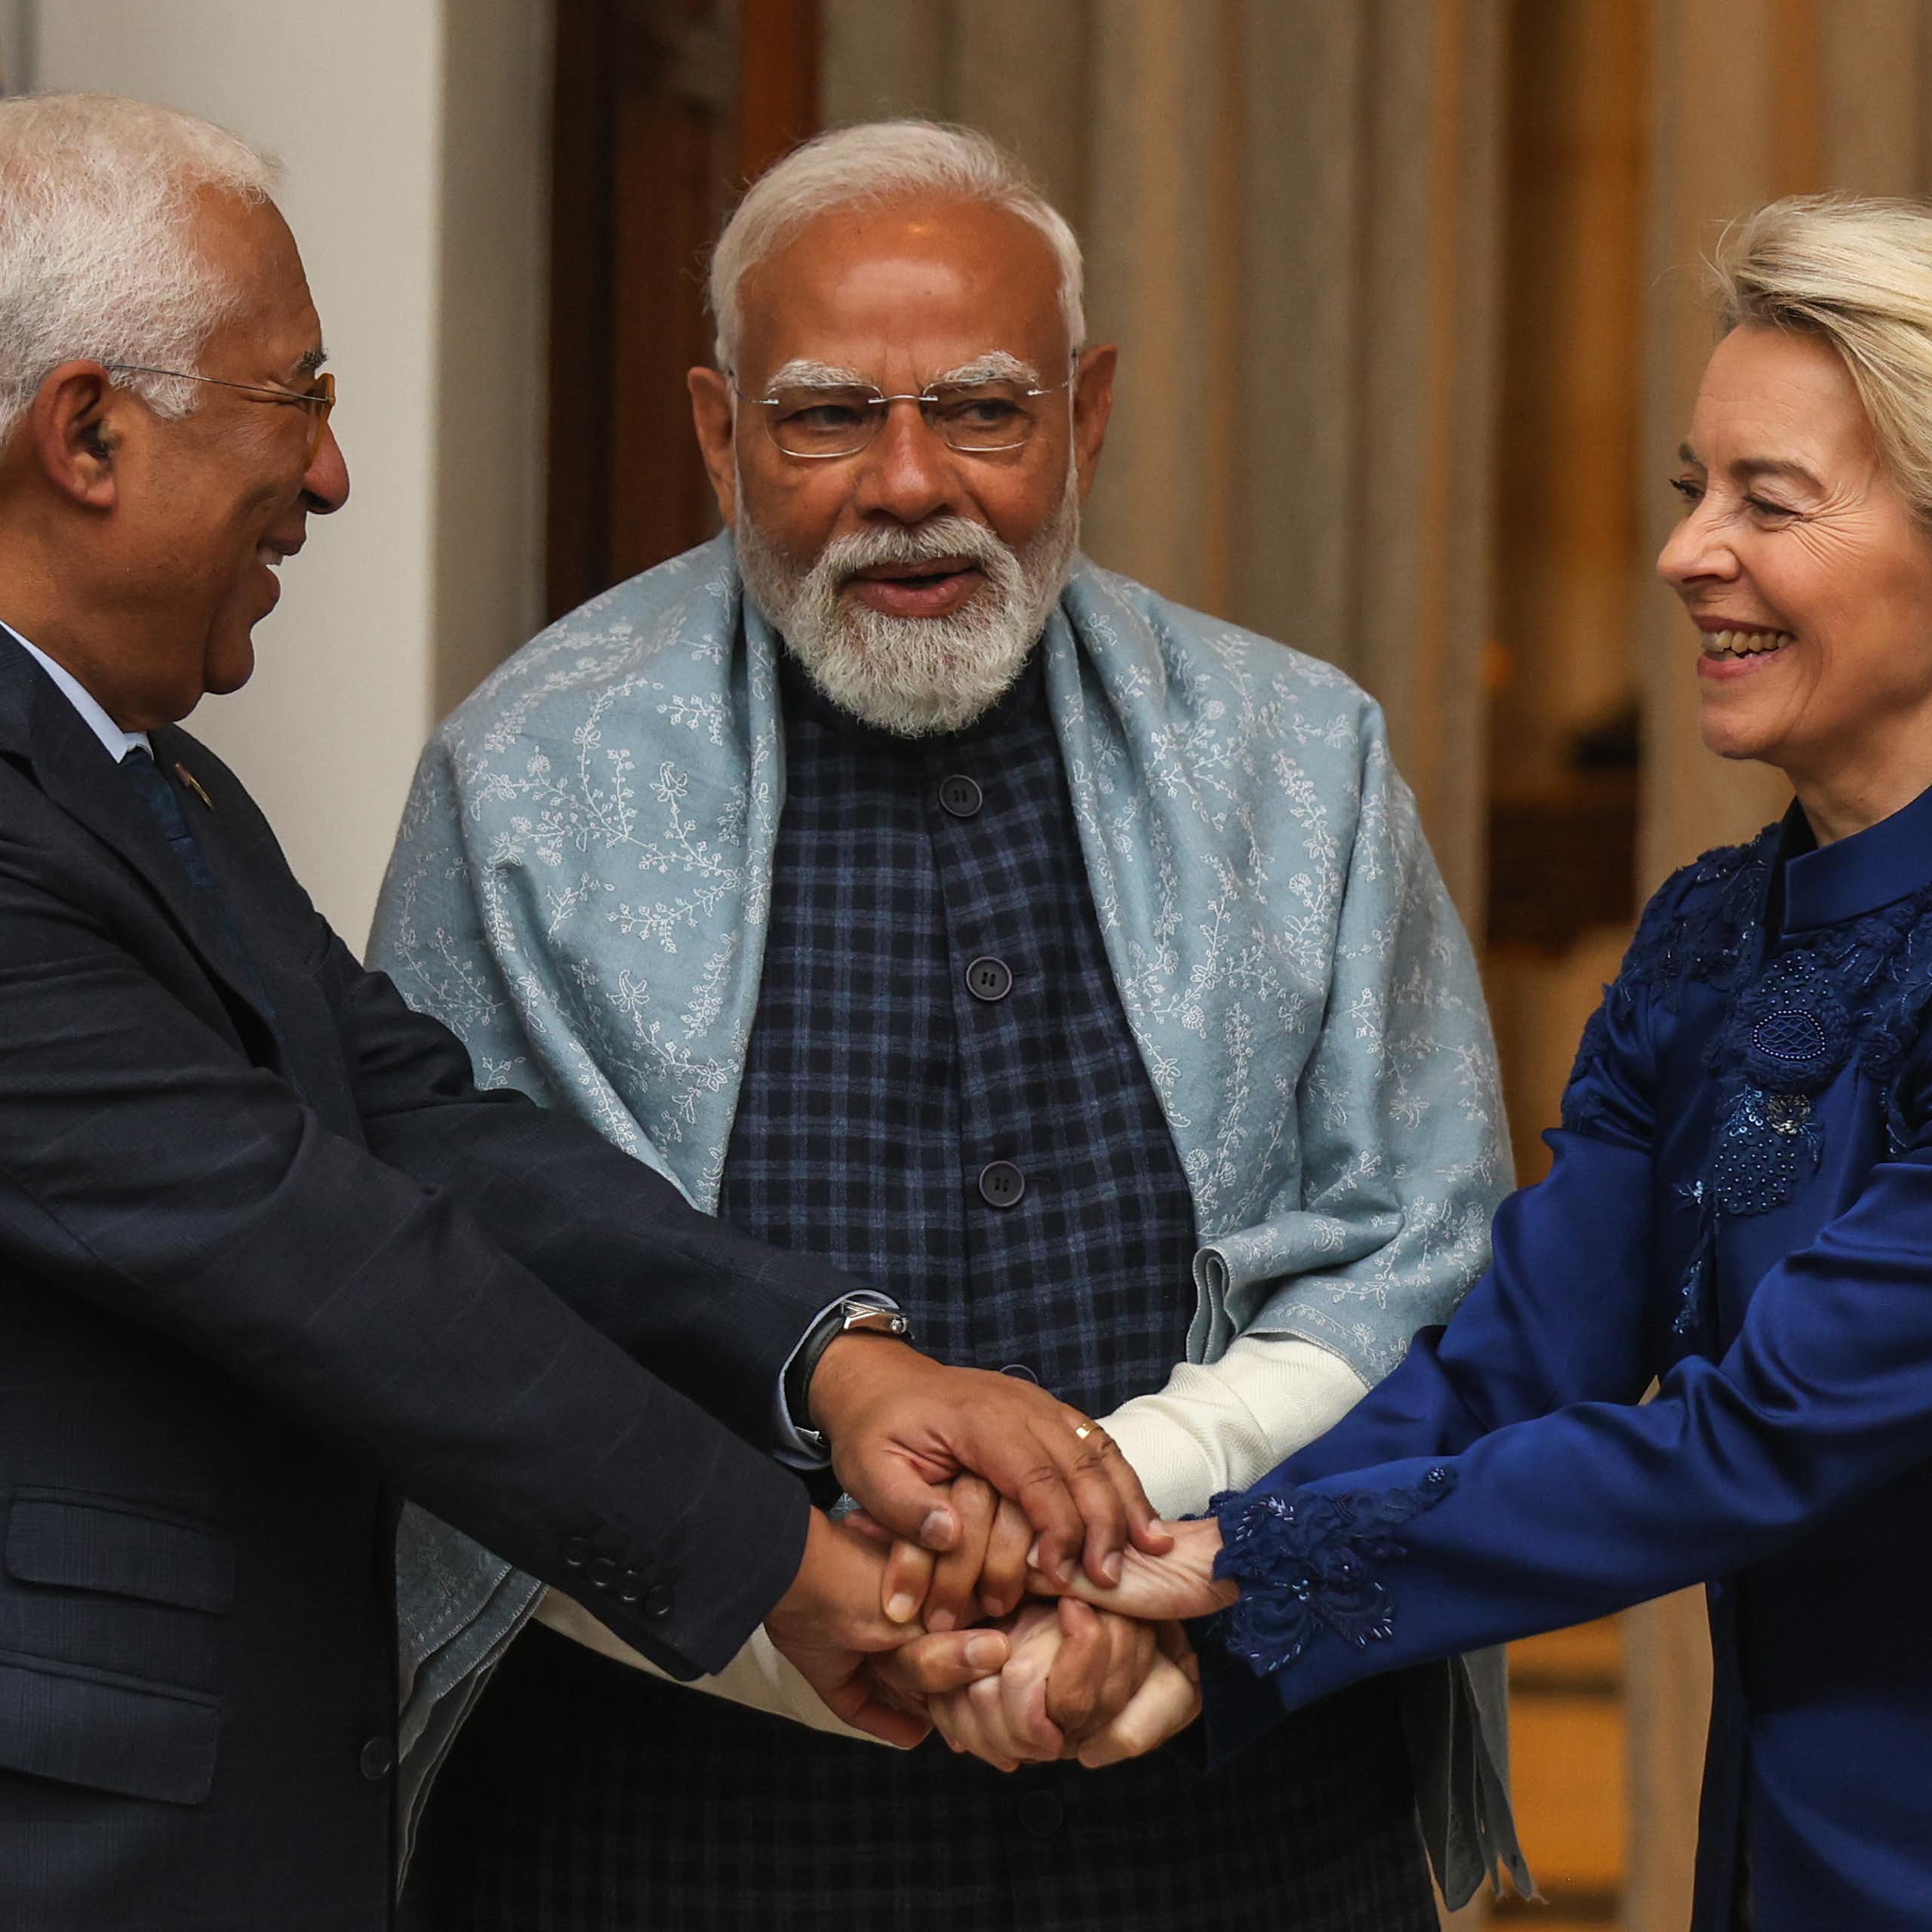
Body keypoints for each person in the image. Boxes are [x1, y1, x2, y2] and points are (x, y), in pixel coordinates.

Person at [0, 93, 1164, 1932]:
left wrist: (843, 1362)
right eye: (295, 397)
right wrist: (782, 1558)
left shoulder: (147, 777)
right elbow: (333, 1254)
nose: (331, 475)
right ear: (88, 431)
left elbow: (422, 1121)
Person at [374, 121, 1526, 1929]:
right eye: (826, 416)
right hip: (676, 1821)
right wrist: (805, 1602)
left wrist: (1111, 1514)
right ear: (713, 426)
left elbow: (1429, 1255)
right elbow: (451, 1315)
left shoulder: (1294, 762)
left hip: (1222, 1799)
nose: (907, 484)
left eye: (981, 411)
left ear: (1088, 412)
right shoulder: (530, 779)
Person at [1044, 192, 1932, 1932]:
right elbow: (1510, 1366)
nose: (1685, 553)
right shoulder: (1703, 936)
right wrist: (1179, 1584)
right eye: (1693, 490)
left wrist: (1234, 1570)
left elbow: (1743, 1446)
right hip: (1781, 1854)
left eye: (1769, 499)